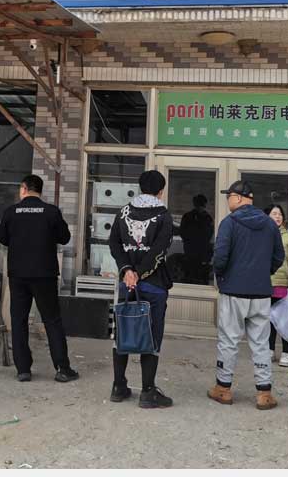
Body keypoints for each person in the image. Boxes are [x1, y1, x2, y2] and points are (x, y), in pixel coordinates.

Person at [0, 174, 78, 383]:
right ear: (40, 190)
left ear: (24, 188)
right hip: (45, 275)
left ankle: (23, 369)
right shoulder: (51, 212)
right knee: (52, 320)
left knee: (19, 320)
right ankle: (62, 368)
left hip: (18, 274)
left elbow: (2, 238)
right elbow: (65, 237)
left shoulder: (11, 212)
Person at [209, 180, 284, 410]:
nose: (227, 200)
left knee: (229, 340)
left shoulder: (229, 223)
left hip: (234, 290)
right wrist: (263, 273)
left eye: (229, 196)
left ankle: (223, 388)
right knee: (261, 343)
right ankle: (264, 392)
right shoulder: (270, 224)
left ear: (239, 198)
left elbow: (220, 257)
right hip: (261, 292)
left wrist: (222, 278)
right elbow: (278, 256)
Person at [108, 169, 174, 409]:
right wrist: (140, 273)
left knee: (122, 332)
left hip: (127, 284)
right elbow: (159, 250)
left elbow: (113, 242)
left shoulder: (123, 212)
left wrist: (127, 270)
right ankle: (147, 391)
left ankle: (118, 386)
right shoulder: (164, 216)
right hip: (154, 286)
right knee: (152, 335)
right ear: (160, 191)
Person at [265, 204, 288, 367]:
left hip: (283, 286)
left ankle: (287, 353)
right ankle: (270, 350)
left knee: (285, 320)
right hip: (265, 285)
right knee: (269, 320)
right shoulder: (262, 235)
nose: (277, 217)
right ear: (267, 216)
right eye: (274, 213)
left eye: (280, 214)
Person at [179, 194, 214, 285]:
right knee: (197, 276)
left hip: (195, 251)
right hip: (197, 251)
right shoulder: (206, 218)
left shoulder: (190, 216)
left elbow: (182, 232)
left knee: (193, 275)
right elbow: (209, 234)